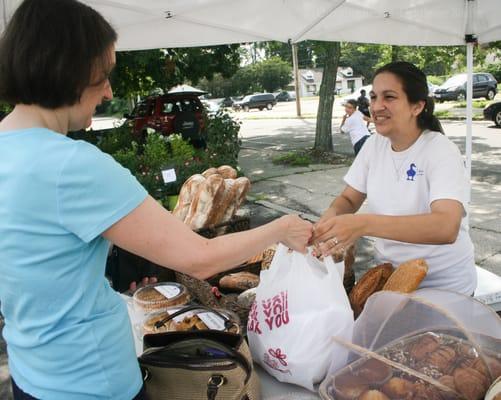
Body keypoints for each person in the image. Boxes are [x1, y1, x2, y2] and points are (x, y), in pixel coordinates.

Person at [0, 1, 313, 399]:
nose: (109, 91)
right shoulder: (73, 165)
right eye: (104, 75)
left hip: (30, 375)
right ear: (69, 67)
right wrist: (281, 228)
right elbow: (200, 258)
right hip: (90, 382)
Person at [313, 61, 476, 296]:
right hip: (391, 279)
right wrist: (328, 221)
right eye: (374, 97)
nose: (376, 106)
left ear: (417, 106)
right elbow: (349, 198)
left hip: (444, 288)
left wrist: (363, 224)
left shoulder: (440, 150)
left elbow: (446, 227)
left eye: (389, 97)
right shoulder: (374, 145)